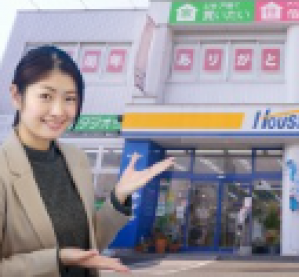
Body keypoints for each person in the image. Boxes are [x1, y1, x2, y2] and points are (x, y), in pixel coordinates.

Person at [0, 46, 175, 276]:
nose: (58, 111)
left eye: (69, 99)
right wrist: (58, 259)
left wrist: (119, 195)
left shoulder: (76, 159)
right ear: (16, 96)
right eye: (46, 96)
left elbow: (90, 244)